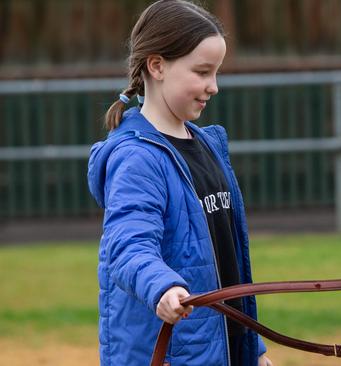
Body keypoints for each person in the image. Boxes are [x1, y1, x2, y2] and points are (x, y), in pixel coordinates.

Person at [87, 1, 273, 365]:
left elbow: (223, 263)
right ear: (157, 66)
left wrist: (254, 350)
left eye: (216, 73)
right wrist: (163, 287)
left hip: (226, 352)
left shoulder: (206, 145)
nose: (214, 86)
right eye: (202, 72)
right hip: (171, 354)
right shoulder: (137, 158)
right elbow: (126, 246)